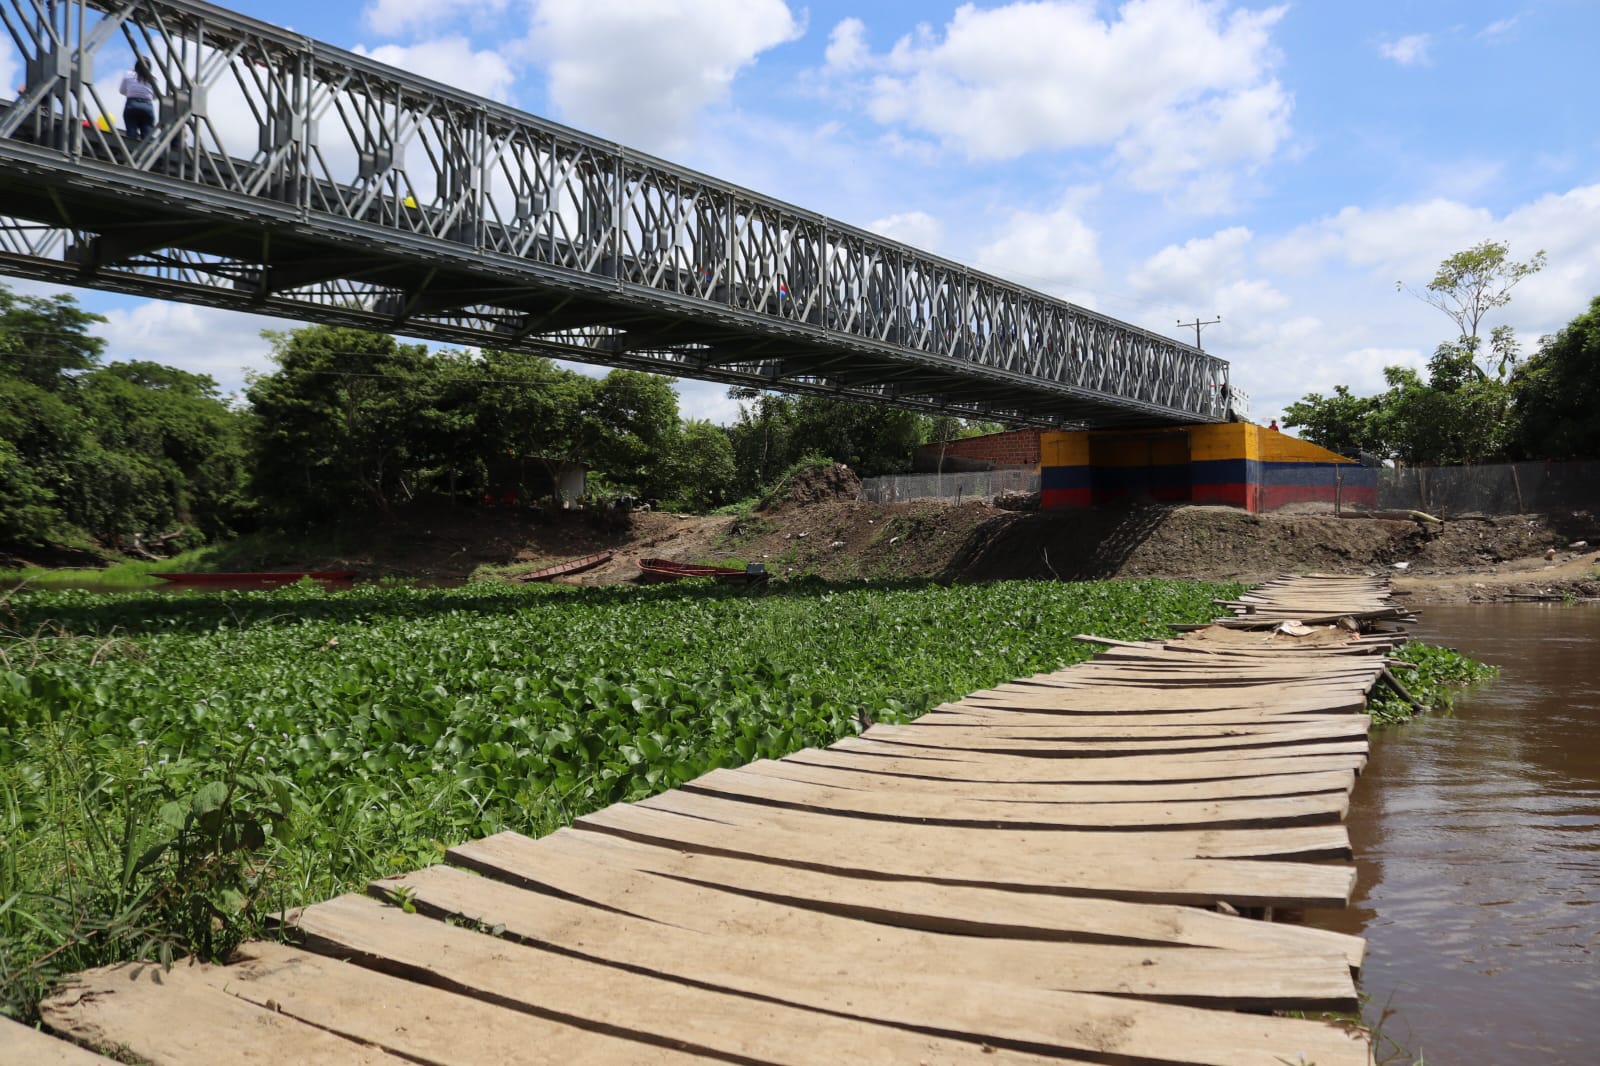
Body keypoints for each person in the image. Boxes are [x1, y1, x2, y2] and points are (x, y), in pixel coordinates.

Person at [119, 57, 157, 141]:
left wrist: (131, 93)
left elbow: (122, 91)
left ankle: (131, 150)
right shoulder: (152, 79)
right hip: (147, 106)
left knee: (131, 134)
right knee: (147, 136)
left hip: (132, 105)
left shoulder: (128, 74)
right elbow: (155, 97)